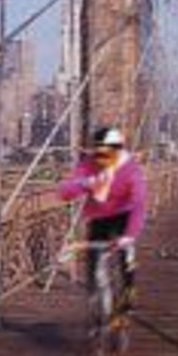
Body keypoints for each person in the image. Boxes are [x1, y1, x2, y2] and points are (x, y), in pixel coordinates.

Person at [58, 125, 148, 314]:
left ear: (118, 151)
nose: (102, 160)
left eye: (107, 154)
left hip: (124, 215)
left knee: (126, 254)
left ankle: (128, 292)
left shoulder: (130, 170)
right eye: (98, 154)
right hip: (99, 217)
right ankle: (95, 300)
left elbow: (139, 203)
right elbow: (65, 192)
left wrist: (130, 235)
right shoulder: (88, 165)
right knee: (94, 260)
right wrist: (86, 183)